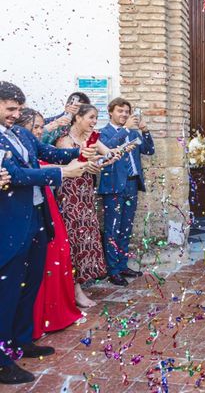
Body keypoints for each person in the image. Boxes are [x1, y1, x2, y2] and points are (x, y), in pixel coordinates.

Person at [0, 81, 87, 385]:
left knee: (30, 283)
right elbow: (18, 176)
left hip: (37, 220)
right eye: (10, 109)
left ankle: (22, 340)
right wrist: (60, 174)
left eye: (19, 109)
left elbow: (47, 151)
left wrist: (81, 152)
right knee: (6, 292)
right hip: (9, 225)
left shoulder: (21, 133)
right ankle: (2, 359)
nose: (16, 114)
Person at [15, 109, 84, 339]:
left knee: (39, 272)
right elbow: (22, 173)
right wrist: (64, 172)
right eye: (36, 127)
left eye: (41, 127)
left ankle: (29, 334)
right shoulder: (10, 141)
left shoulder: (27, 140)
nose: (39, 131)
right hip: (22, 211)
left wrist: (82, 152)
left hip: (41, 206)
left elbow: (51, 154)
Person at [56, 104, 110, 307]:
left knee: (85, 237)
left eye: (96, 118)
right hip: (69, 195)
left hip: (85, 193)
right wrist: (90, 161)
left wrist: (101, 161)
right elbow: (69, 166)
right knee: (73, 239)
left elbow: (107, 155)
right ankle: (74, 290)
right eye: (91, 117)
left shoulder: (91, 138)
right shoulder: (65, 140)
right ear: (77, 118)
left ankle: (79, 285)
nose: (94, 121)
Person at [98, 98, 155, 286]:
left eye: (126, 112)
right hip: (113, 186)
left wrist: (145, 130)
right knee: (112, 229)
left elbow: (149, 150)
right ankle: (112, 270)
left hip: (132, 184)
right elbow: (107, 150)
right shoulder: (102, 133)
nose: (123, 115)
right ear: (110, 112)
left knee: (126, 227)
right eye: (120, 111)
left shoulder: (132, 133)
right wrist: (125, 130)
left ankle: (122, 265)